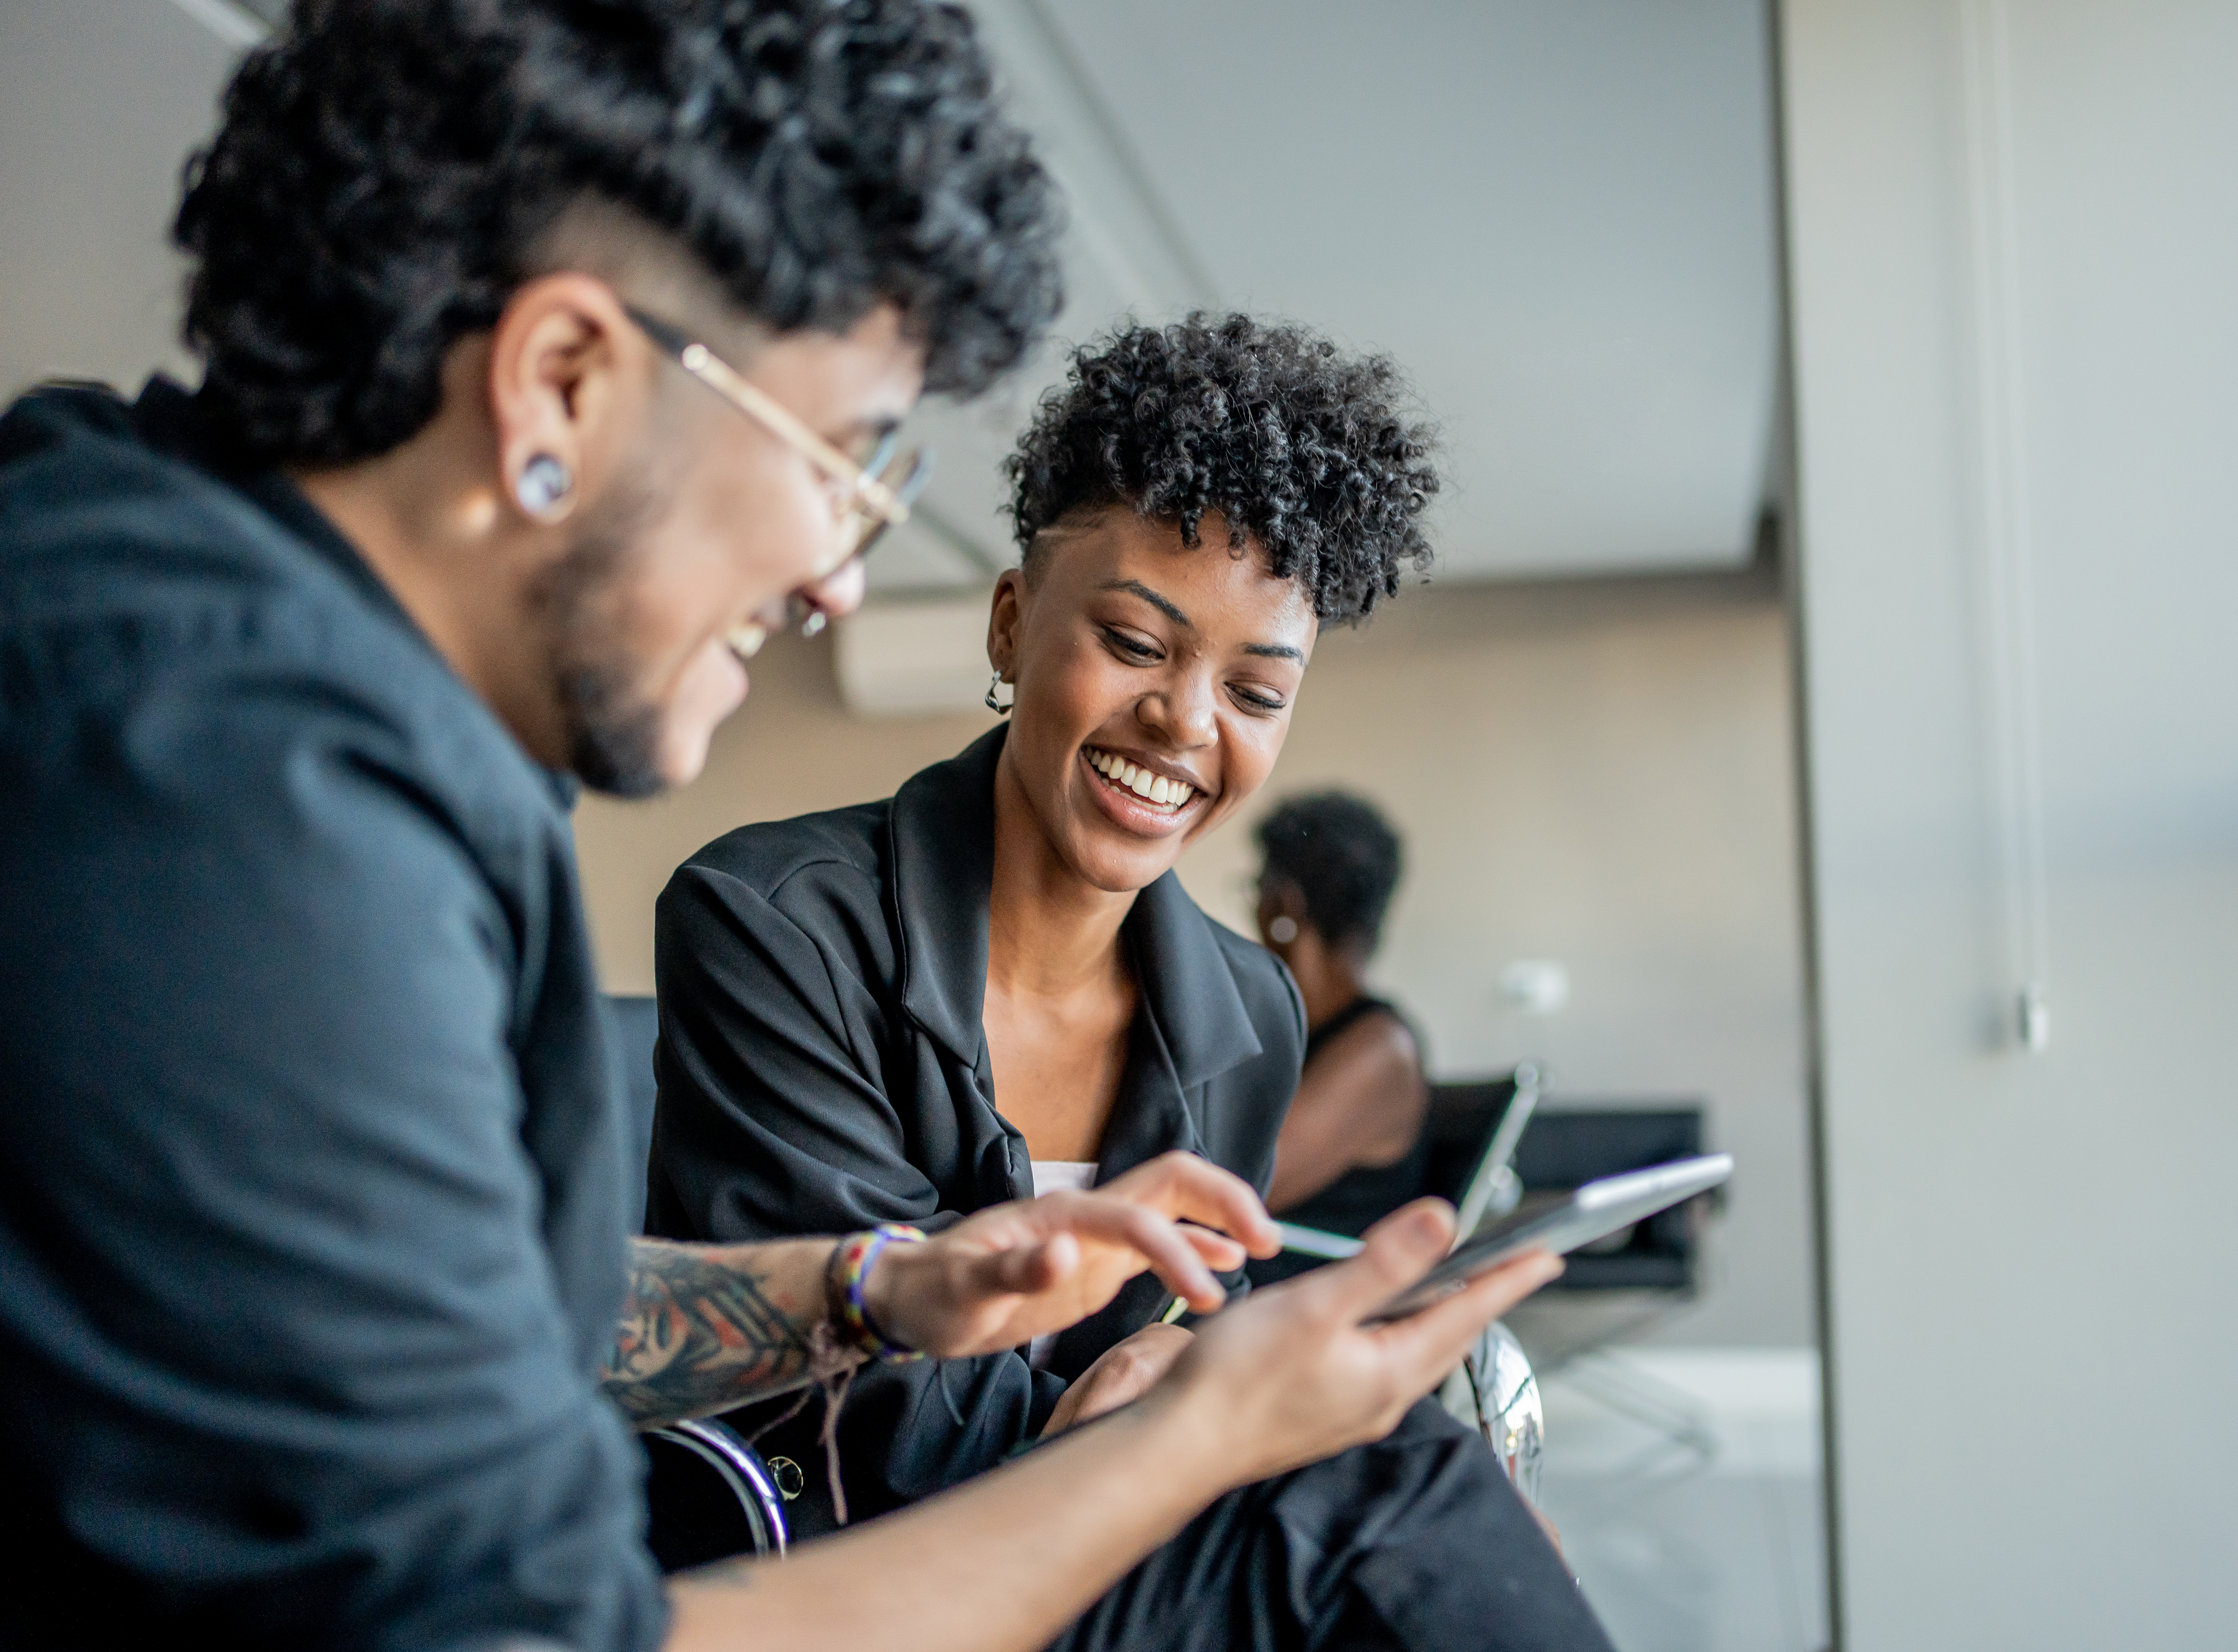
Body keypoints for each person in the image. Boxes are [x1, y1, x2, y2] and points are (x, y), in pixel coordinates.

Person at [0, 4, 1594, 1650]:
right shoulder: (227, 802)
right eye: (837, 459)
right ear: (560, 381)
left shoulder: (207, 626)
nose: (837, 575)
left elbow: (470, 1309)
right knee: (1377, 1511)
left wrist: (868, 1287)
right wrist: (1201, 1432)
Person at [644, 314, 1601, 1637]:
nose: (1185, 721)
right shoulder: (772, 922)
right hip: (865, 1568)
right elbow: (866, 1412)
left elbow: (1191, 1327)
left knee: (1423, 1499)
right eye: (1138, 642)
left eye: (1254, 694)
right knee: (1399, 1504)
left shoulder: (1249, 1013)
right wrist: (1189, 1414)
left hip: (1109, 1546)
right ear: (1009, 620)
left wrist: (1194, 1370)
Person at [1249, 792, 1433, 1268]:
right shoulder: (1303, 1031)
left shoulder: (1380, 1049)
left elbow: (1240, 1190)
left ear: (1283, 905)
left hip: (1295, 1311)